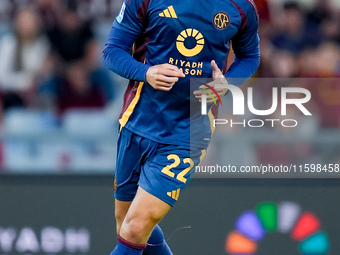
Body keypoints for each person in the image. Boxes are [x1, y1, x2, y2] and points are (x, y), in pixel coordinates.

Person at [103, 0, 260, 254]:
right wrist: (146, 72)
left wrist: (226, 83)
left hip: (187, 131)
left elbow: (250, 56)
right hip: (137, 121)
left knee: (134, 227)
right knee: (127, 224)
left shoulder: (241, 7)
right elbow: (112, 51)